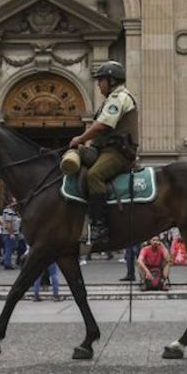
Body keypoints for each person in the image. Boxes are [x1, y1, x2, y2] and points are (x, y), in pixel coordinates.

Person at [66, 60, 139, 245]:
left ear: (111, 80)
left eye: (101, 80)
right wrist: (79, 146)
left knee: (94, 175)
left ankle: (100, 226)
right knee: (72, 156)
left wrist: (80, 139)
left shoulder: (120, 97)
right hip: (102, 151)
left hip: (118, 153)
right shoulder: (110, 99)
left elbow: (102, 125)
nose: (98, 84)